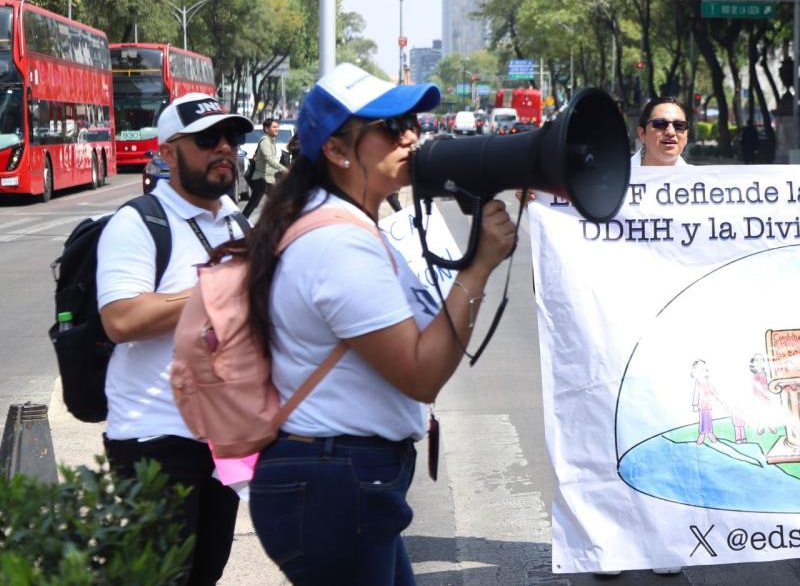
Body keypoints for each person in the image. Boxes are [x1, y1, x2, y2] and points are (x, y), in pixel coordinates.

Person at [241, 63, 515, 584]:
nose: (411, 135)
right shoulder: (338, 244)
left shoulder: (341, 223)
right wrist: (479, 268)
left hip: (340, 480)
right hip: (334, 484)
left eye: (411, 121)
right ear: (338, 151)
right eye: (391, 127)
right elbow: (421, 372)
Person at [97, 93, 253, 585]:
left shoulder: (235, 219)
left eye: (232, 137)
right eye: (207, 139)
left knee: (206, 573)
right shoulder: (139, 222)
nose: (224, 148)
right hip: (155, 438)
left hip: (223, 437)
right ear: (168, 153)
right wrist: (216, 289)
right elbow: (121, 319)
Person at [244, 117, 287, 217]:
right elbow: (269, 159)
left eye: (277, 127)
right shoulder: (265, 141)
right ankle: (242, 223)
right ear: (267, 129)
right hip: (261, 178)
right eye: (274, 127)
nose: (277, 129)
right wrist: (284, 170)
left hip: (268, 178)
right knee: (254, 203)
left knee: (276, 201)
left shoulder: (271, 141)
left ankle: (276, 223)